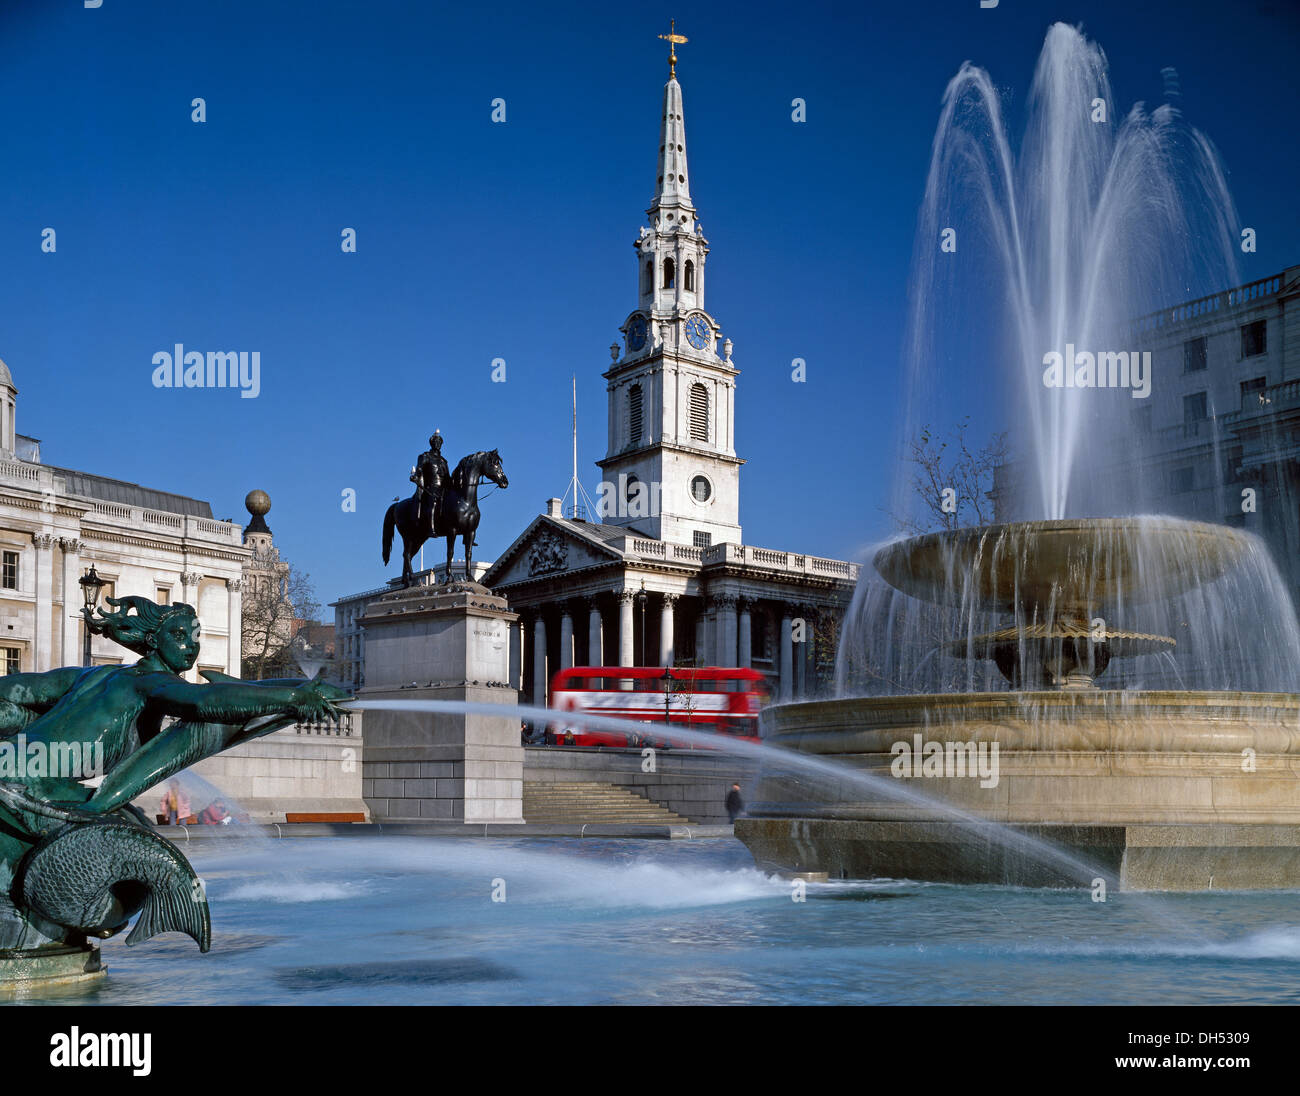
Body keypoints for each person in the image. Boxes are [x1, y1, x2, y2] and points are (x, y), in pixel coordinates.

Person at [411, 430, 451, 537]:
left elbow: (448, 477)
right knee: (433, 501)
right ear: (432, 443)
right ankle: (430, 528)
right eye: (436, 442)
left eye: (439, 442)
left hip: (443, 488)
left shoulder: (443, 461)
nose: (438, 444)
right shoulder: (425, 456)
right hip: (431, 487)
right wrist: (415, 476)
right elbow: (419, 469)